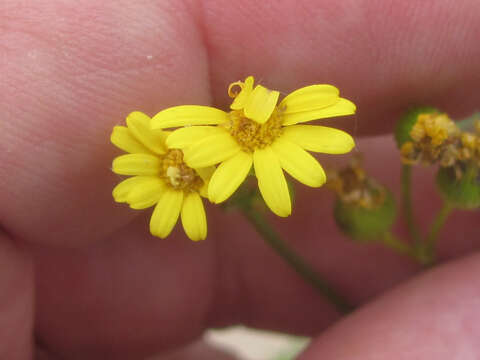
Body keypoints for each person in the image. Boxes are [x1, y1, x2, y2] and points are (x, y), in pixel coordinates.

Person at [1, 1, 479, 359]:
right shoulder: (203, 151)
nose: (250, 122)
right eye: (245, 121)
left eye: (256, 120)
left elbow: (313, 139)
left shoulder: (223, 147)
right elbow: (195, 162)